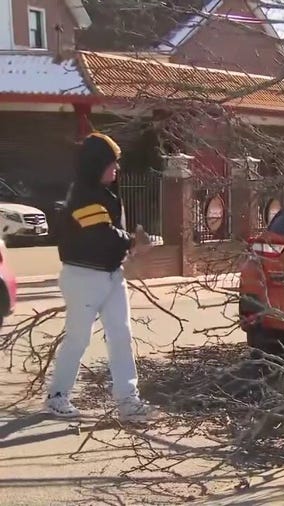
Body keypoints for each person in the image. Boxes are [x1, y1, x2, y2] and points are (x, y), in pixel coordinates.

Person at [45, 132, 153, 421]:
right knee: (79, 337)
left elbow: (109, 235)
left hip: (111, 275)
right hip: (82, 276)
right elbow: (100, 233)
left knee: (121, 335)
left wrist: (131, 245)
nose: (116, 169)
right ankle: (58, 396)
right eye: (111, 163)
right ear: (96, 164)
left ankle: (128, 400)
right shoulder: (82, 194)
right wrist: (132, 242)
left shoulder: (106, 193)